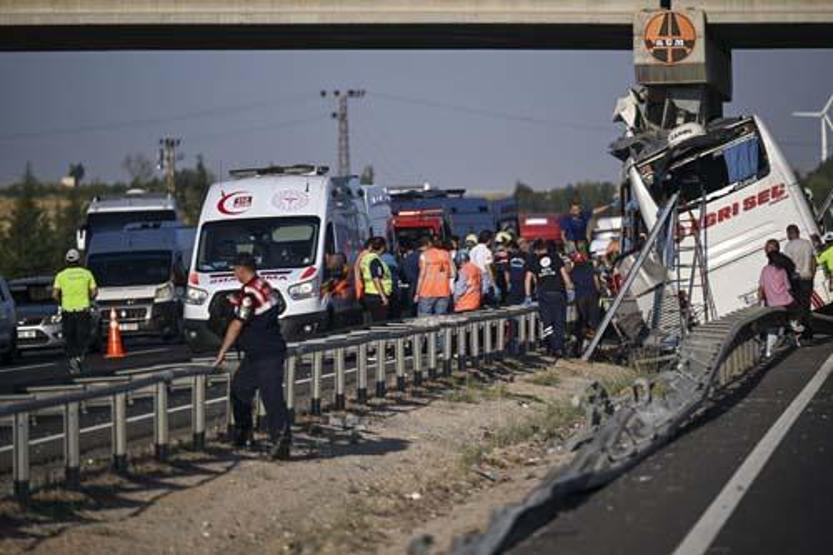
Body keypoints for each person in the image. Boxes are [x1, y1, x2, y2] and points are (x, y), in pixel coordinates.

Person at [213, 253, 291, 460]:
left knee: (272, 398)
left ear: (242, 269)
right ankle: (243, 436)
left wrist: (223, 350)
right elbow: (279, 307)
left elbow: (238, 323)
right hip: (260, 352)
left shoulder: (249, 294)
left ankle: (280, 442)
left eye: (234, 269)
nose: (234, 273)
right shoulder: (265, 286)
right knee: (240, 389)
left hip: (265, 353)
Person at [525, 239, 574, 358]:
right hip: (558, 293)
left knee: (547, 322)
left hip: (543, 295)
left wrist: (528, 296)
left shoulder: (533, 260)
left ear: (536, 250)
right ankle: (559, 347)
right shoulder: (556, 258)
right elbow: (564, 275)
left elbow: (528, 279)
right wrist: (570, 288)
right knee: (559, 321)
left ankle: (551, 345)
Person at [53, 249, 97, 375]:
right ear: (79, 260)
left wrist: (62, 302)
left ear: (66, 261)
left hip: (67, 311)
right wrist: (89, 299)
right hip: (83, 310)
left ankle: (73, 360)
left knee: (70, 337)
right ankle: (78, 358)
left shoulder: (60, 275)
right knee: (83, 337)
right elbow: (94, 292)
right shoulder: (87, 274)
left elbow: (55, 294)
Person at [759, 239, 799, 357]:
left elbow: (761, 289)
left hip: (773, 304)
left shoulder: (765, 270)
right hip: (787, 301)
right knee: (792, 319)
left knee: (772, 327)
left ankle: (768, 350)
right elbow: (788, 286)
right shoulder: (783, 267)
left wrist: (761, 303)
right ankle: (795, 334)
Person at [783, 224, 815, 339]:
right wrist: (812, 275)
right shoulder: (806, 243)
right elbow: (813, 261)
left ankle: (805, 331)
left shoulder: (788, 247)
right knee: (807, 304)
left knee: (800, 306)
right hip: (807, 277)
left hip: (796, 279)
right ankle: (808, 331)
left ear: (790, 233)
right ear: (798, 232)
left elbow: (787, 266)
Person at [569, 244, 600, 357]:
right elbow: (596, 281)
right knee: (593, 321)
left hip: (580, 297)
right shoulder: (590, 267)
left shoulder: (573, 271)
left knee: (582, 321)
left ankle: (580, 344)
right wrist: (598, 292)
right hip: (592, 295)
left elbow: (571, 285)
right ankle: (591, 346)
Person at [414, 236, 452, 315]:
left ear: (429, 244)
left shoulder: (424, 255)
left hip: (427, 291)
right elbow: (452, 273)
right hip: (444, 291)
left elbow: (422, 275)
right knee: (441, 319)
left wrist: (417, 293)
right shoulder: (447, 254)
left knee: (424, 319)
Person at [360, 237, 393, 322]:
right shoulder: (375, 260)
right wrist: (383, 297)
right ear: (382, 247)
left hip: (369, 293)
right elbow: (376, 279)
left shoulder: (365, 258)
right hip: (377, 295)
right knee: (380, 323)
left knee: (375, 322)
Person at [470, 230, 497, 304]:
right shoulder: (487, 251)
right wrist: (494, 284)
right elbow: (488, 267)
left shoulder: (472, 250)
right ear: (489, 240)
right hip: (484, 277)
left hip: (473, 277)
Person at [505, 240, 528, 306]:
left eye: (508, 248)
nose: (507, 250)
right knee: (511, 302)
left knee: (521, 301)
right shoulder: (509, 256)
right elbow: (507, 271)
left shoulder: (525, 255)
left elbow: (529, 271)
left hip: (522, 282)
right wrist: (508, 283)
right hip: (513, 282)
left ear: (512, 247)